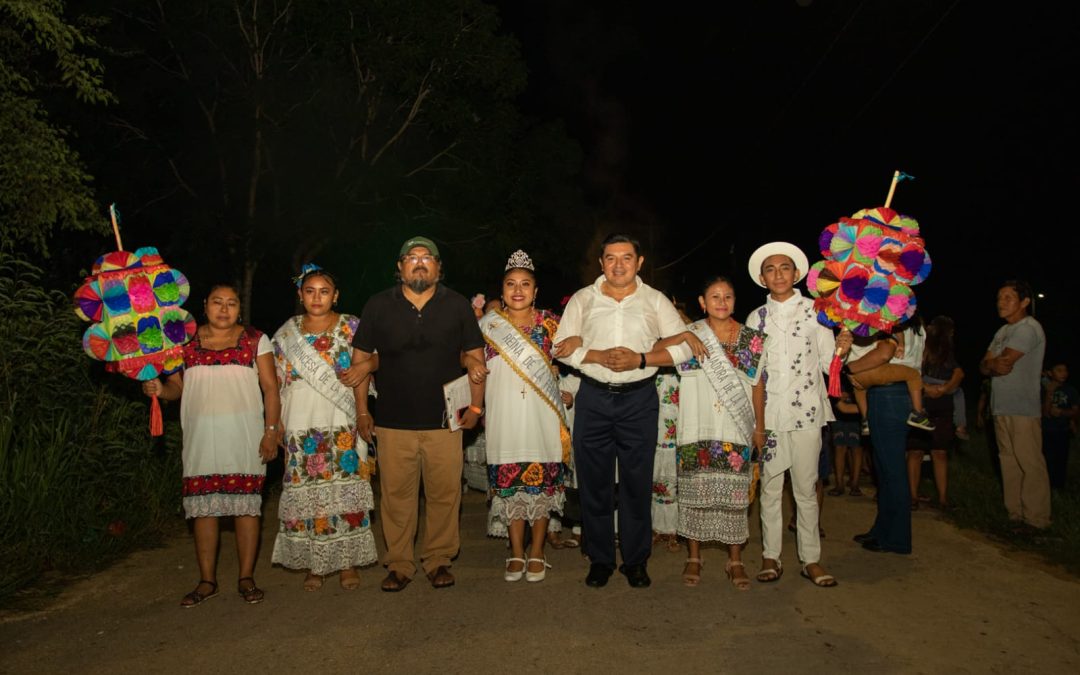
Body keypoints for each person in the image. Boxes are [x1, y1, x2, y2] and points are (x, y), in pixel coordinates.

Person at [553, 233, 703, 589]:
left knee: (637, 483)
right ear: (601, 263)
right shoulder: (583, 299)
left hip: (638, 399)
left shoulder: (655, 300)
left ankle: (636, 560)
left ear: (639, 262)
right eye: (610, 258)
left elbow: (684, 347)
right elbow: (561, 348)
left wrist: (642, 358)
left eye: (625, 258)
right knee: (595, 483)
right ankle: (601, 559)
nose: (617, 265)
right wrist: (594, 355)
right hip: (593, 397)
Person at [350, 236, 486, 591]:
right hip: (393, 421)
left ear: (439, 267)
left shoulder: (456, 305)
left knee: (444, 494)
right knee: (396, 496)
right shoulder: (379, 305)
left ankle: (439, 559)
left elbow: (475, 358)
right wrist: (362, 410)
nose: (420, 262)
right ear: (400, 267)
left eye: (428, 257)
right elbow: (361, 361)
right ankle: (399, 563)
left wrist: (475, 405)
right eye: (412, 257)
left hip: (445, 421)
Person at [142, 283, 281, 607]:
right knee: (204, 511)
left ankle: (246, 577)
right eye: (217, 302)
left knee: (247, 509)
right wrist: (160, 390)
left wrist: (270, 431)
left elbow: (271, 388)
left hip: (244, 435)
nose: (224, 308)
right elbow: (177, 387)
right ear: (204, 305)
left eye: (231, 303)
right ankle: (207, 580)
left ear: (239, 309)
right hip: (201, 437)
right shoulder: (183, 341)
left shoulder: (254, 339)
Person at [746, 241, 850, 587]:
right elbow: (752, 376)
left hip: (808, 413)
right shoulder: (755, 319)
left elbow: (826, 364)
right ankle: (770, 556)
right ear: (762, 278)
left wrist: (842, 351)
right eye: (771, 269)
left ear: (797, 274)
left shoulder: (818, 312)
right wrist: (755, 424)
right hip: (771, 418)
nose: (778, 274)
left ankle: (811, 559)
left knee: (806, 489)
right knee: (771, 489)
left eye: (785, 268)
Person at [270, 265, 378, 591]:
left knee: (343, 488)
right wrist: (275, 426)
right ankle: (315, 565)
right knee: (311, 491)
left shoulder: (352, 326)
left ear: (336, 295)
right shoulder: (285, 334)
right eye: (310, 291)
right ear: (300, 295)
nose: (317, 297)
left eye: (324, 291)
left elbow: (374, 360)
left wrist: (362, 410)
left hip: (341, 416)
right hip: (300, 420)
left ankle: (346, 563)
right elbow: (275, 385)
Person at [664, 276, 765, 590]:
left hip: (734, 428)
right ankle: (694, 556)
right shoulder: (691, 334)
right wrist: (679, 333)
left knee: (734, 498)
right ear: (702, 302)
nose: (722, 302)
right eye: (715, 296)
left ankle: (735, 559)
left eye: (728, 296)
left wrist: (759, 428)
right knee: (696, 496)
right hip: (696, 428)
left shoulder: (751, 339)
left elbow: (757, 385)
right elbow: (655, 351)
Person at [479, 250, 572, 582]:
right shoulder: (487, 327)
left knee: (541, 488)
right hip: (504, 416)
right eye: (510, 284)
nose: (517, 290)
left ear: (535, 291)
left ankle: (537, 551)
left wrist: (569, 383)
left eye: (525, 284)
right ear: (502, 290)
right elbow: (469, 362)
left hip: (541, 417)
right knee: (510, 488)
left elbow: (580, 358)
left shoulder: (552, 323)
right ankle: (516, 552)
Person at [979, 280, 1050, 531]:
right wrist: (991, 365)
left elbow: (1005, 362)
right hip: (1001, 406)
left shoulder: (1028, 328)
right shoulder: (1002, 331)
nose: (1001, 302)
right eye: (999, 297)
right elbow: (985, 366)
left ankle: (1037, 519)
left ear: (1025, 302)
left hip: (1022, 407)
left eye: (1008, 298)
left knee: (1029, 462)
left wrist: (992, 364)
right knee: (1008, 461)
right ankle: (1015, 515)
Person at [845, 327, 914, 554]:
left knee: (892, 471)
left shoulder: (892, 318)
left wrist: (850, 369)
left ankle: (897, 538)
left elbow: (884, 353)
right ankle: (882, 530)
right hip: (884, 393)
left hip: (890, 394)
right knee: (884, 470)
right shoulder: (891, 318)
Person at [908, 315, 964, 510]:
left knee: (939, 452)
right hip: (921, 404)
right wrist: (925, 387)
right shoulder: (920, 347)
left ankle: (942, 499)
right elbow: (911, 370)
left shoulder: (950, 351)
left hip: (942, 406)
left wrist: (945, 388)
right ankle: (912, 496)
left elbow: (959, 373)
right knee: (915, 451)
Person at [847, 324, 935, 435]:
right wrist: (901, 344)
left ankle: (865, 420)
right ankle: (917, 413)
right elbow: (884, 354)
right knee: (914, 375)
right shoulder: (881, 327)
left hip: (856, 375)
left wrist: (847, 370)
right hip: (873, 373)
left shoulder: (850, 329)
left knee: (859, 388)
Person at [1041, 358, 1077, 490]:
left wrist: (1062, 412)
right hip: (1046, 430)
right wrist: (1049, 392)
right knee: (1046, 459)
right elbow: (1044, 413)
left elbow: (1075, 411)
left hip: (1062, 430)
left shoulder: (1070, 390)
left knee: (1061, 460)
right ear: (1050, 373)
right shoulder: (1043, 389)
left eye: (1065, 370)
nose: (1063, 373)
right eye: (1059, 370)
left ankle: (1059, 487)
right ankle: (1046, 487)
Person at [827, 381, 865, 497]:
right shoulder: (836, 368)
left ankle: (855, 484)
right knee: (839, 447)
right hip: (839, 410)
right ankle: (839, 484)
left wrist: (849, 395)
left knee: (857, 448)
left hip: (857, 408)